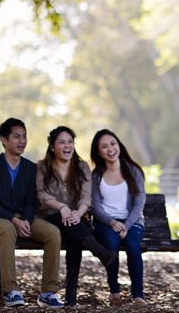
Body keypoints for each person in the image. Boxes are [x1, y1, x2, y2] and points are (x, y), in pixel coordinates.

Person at [0, 117, 65, 308]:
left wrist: (26, 220)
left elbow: (30, 201)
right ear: (4, 140)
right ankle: (11, 290)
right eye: (17, 137)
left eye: (24, 137)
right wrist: (14, 220)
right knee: (7, 229)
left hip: (24, 218)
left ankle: (48, 292)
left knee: (53, 233)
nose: (22, 141)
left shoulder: (30, 168)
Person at [36, 125, 117, 306]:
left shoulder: (82, 167)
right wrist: (63, 207)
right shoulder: (42, 167)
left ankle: (71, 296)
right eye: (62, 142)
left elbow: (86, 197)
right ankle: (100, 253)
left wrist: (78, 213)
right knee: (71, 224)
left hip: (74, 221)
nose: (68, 146)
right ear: (52, 147)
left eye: (70, 142)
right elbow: (42, 195)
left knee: (74, 232)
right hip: (50, 219)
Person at [90, 129, 147, 307]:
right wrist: (112, 222)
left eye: (113, 144)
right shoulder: (96, 176)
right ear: (98, 152)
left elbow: (139, 202)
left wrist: (127, 225)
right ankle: (114, 292)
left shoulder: (134, 171)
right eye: (104, 146)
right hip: (105, 223)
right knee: (111, 244)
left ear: (119, 145)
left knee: (132, 245)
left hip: (131, 222)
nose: (110, 149)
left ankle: (138, 295)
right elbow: (95, 206)